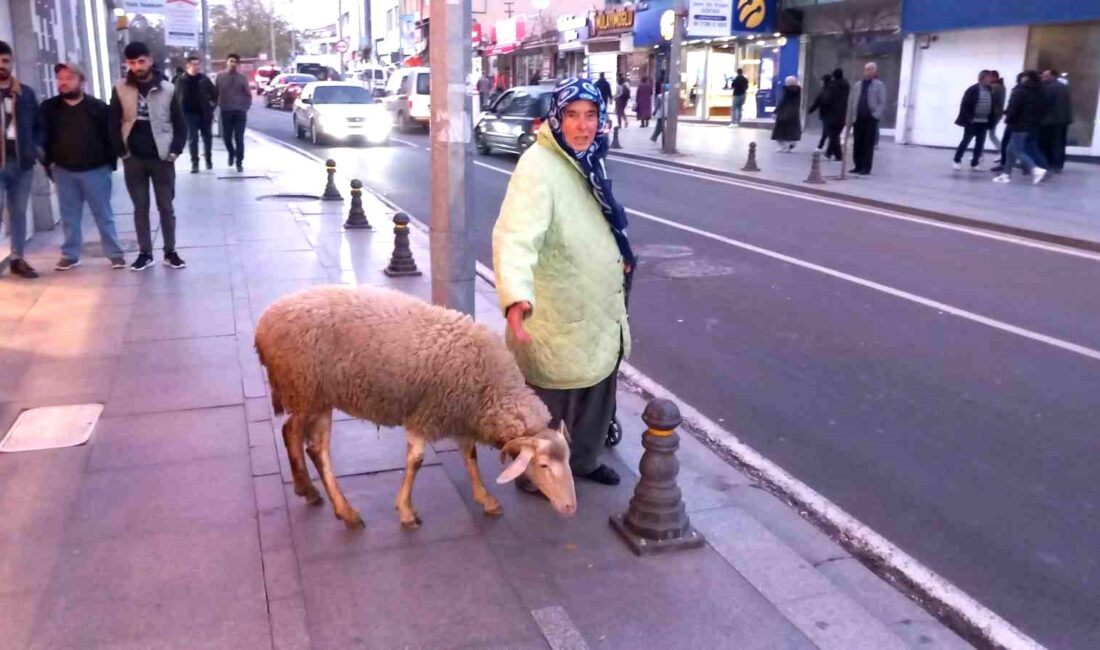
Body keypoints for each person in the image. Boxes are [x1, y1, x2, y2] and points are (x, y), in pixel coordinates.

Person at [493, 78, 633, 490]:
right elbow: (515, 236)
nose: (582, 125)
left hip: (596, 308)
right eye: (572, 115)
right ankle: (535, 477)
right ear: (556, 118)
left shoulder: (589, 159)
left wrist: (620, 256)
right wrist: (516, 297)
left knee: (597, 391)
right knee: (550, 402)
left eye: (590, 115)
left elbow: (601, 217)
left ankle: (585, 461)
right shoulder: (538, 166)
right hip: (557, 310)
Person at [109, 41, 187, 271]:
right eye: (132, 62)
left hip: (162, 157)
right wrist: (122, 151)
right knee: (140, 207)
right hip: (134, 158)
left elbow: (180, 123)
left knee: (166, 206)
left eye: (141, 61)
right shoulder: (121, 87)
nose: (137, 66)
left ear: (150, 60)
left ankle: (170, 252)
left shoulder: (167, 88)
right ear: (127, 64)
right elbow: (113, 121)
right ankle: (145, 253)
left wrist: (175, 151)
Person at [40, 62, 125, 271]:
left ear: (82, 81)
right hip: (63, 171)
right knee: (69, 216)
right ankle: (70, 255)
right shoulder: (49, 108)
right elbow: (43, 137)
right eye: (60, 78)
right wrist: (48, 163)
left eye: (69, 78)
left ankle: (114, 253)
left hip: (96, 170)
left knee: (104, 215)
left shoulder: (98, 108)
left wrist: (108, 165)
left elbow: (111, 137)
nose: (63, 83)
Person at [0, 40, 42, 279]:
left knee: (18, 212)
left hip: (22, 162)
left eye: (5, 61)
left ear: (12, 62)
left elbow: (38, 125)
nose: (1, 66)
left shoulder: (25, 93)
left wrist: (35, 147)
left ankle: (17, 258)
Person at [993, 70, 1047, 185]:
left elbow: (1013, 107)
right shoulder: (1039, 91)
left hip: (1018, 124)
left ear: (1026, 78)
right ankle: (1006, 175)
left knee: (1016, 150)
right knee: (1010, 149)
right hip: (1030, 125)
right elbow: (1042, 110)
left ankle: (1035, 169)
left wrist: (1008, 119)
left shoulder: (1019, 91)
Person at [176, 55, 216, 174]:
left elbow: (214, 94)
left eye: (198, 64)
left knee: (207, 138)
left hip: (204, 113)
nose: (197, 66)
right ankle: (195, 163)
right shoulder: (181, 80)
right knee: (193, 139)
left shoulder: (204, 79)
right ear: (188, 66)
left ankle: (208, 160)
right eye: (194, 64)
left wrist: (211, 107)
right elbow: (176, 98)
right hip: (189, 114)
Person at [847, 62, 886, 175]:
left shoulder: (879, 85)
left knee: (867, 144)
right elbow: (852, 101)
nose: (868, 71)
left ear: (875, 71)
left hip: (870, 118)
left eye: (871, 69)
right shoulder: (858, 85)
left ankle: (866, 167)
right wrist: (849, 117)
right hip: (858, 118)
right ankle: (857, 165)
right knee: (857, 142)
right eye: (866, 69)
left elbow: (882, 102)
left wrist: (876, 115)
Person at [952, 70, 995, 171]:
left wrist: (991, 119)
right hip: (972, 122)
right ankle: (957, 160)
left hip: (983, 122)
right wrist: (969, 119)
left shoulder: (990, 90)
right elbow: (964, 106)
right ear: (982, 78)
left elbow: (991, 106)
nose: (991, 79)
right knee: (966, 141)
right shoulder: (972, 89)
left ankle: (975, 162)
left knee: (980, 143)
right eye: (989, 77)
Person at [216, 53, 251, 172]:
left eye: (235, 62)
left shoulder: (242, 78)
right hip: (226, 111)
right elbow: (215, 93)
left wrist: (245, 107)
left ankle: (239, 162)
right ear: (227, 62)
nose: (233, 64)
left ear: (238, 64)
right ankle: (231, 153)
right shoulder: (220, 76)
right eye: (231, 61)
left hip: (240, 112)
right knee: (226, 137)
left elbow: (248, 94)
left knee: (239, 138)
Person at [1038, 69, 1072, 173]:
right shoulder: (1064, 87)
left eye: (1045, 76)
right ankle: (1058, 165)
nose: (1043, 78)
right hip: (1063, 120)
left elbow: (1044, 104)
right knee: (1060, 143)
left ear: (1052, 76)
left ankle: (1049, 164)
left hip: (1050, 121)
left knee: (1049, 144)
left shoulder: (1049, 88)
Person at [823, 68, 849, 161]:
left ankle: (838, 155)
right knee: (835, 134)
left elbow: (828, 99)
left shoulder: (832, 86)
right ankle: (829, 152)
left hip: (833, 113)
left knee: (833, 135)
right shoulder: (846, 86)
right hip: (842, 113)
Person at [771, 76, 802, 153]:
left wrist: (775, 112)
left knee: (779, 132)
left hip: (784, 113)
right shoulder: (798, 91)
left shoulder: (787, 90)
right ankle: (791, 144)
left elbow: (782, 102)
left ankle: (783, 146)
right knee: (791, 130)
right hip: (794, 114)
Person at [807, 74, 833, 152]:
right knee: (829, 132)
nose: (820, 82)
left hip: (827, 113)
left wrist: (810, 110)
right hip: (830, 113)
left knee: (826, 132)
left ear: (824, 81)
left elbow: (818, 102)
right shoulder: (830, 89)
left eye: (821, 81)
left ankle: (821, 146)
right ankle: (828, 149)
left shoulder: (825, 91)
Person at [988, 70, 1006, 150]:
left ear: (994, 77)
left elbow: (990, 100)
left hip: (992, 114)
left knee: (989, 135)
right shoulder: (1001, 86)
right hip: (997, 113)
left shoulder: (994, 87)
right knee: (991, 135)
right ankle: (1002, 152)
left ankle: (1002, 152)